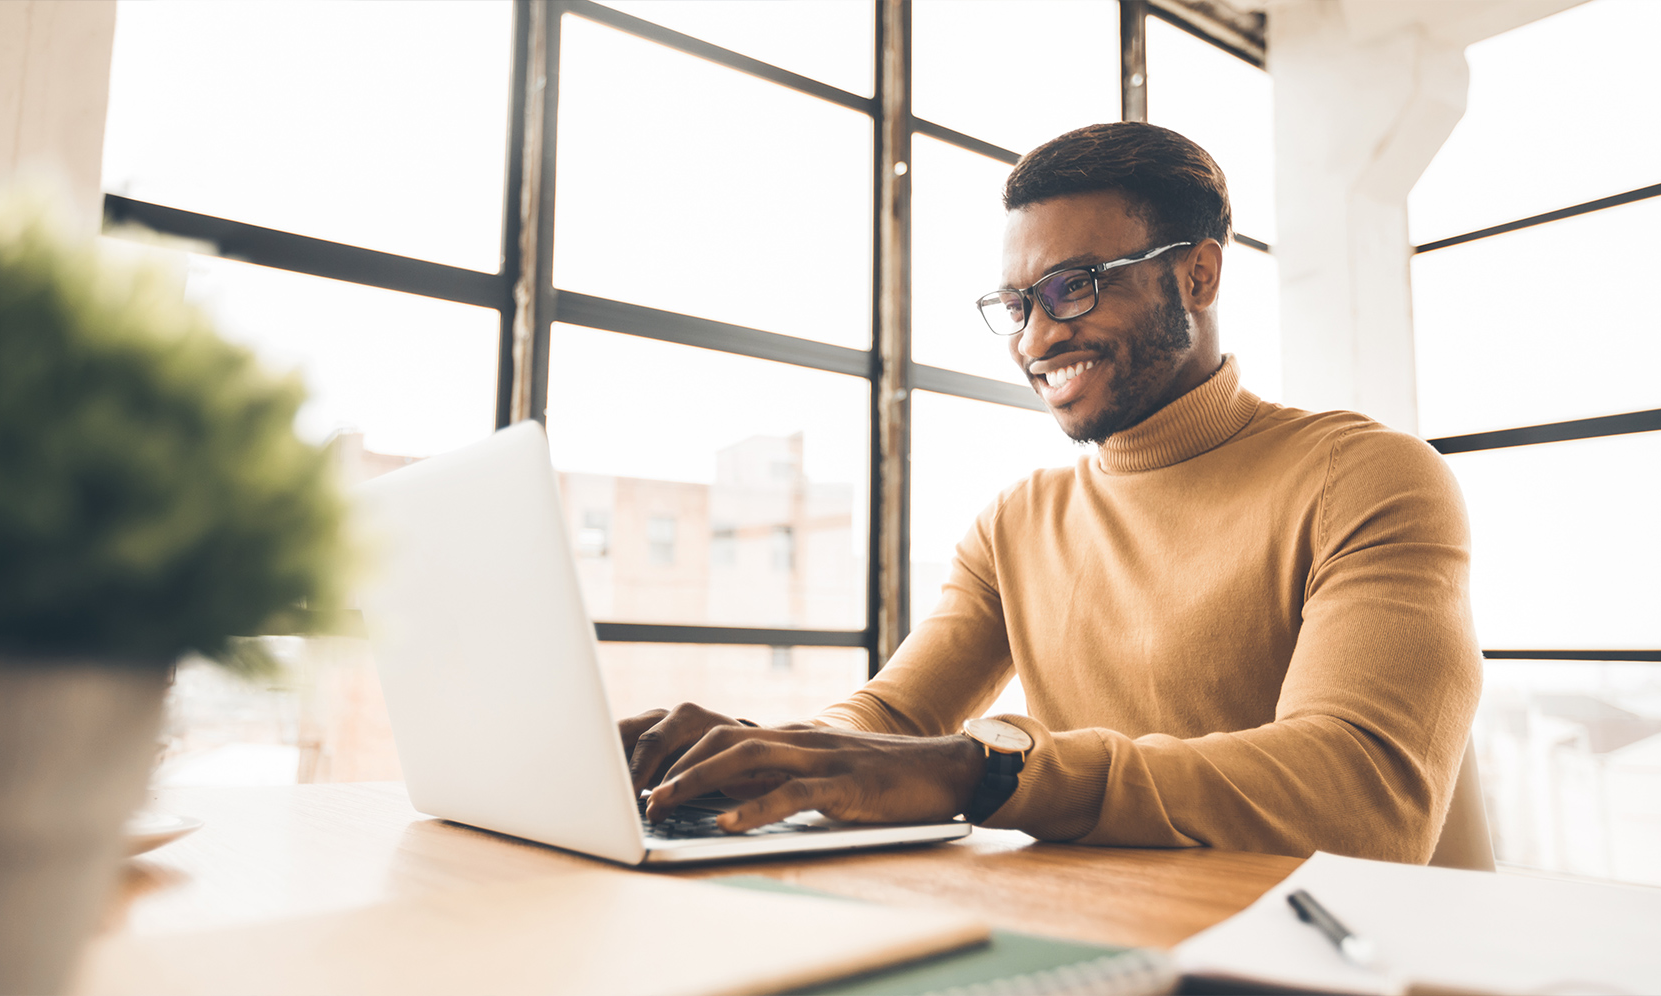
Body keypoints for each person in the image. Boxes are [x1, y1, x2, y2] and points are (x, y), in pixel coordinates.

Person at [623, 122, 1481, 864]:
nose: (1036, 337)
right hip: (1108, 932)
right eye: (1017, 301)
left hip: (1325, 955)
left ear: (1199, 278)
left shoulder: (1367, 478)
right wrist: (765, 758)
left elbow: (1361, 798)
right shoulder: (1015, 522)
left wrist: (992, 769)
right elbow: (894, 715)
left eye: (1075, 286)